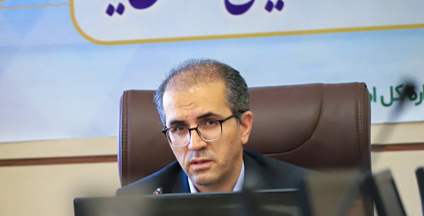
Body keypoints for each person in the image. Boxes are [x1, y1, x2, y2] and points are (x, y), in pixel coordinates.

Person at [118, 59, 307, 196]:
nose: (194, 144)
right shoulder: (136, 207)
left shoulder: (306, 194)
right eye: (179, 129)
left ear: (244, 126)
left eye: (210, 123)